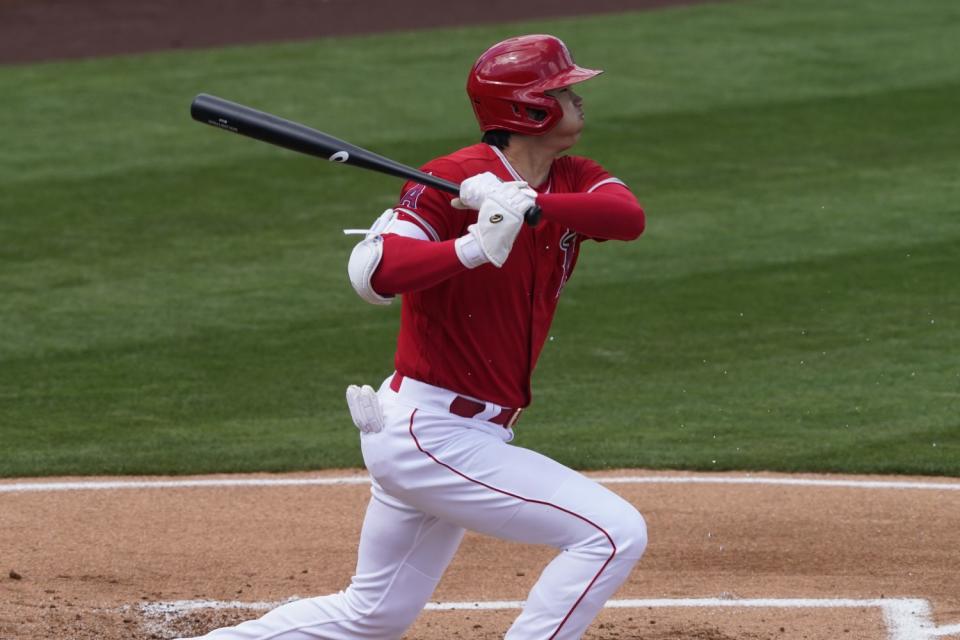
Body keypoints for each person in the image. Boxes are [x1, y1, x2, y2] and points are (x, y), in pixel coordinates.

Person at [185, 33, 647, 640]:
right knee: (613, 533)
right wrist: (472, 246)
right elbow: (373, 272)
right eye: (560, 91)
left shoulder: (570, 177)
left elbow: (626, 217)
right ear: (528, 110)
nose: (576, 99)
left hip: (465, 433)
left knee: (372, 616)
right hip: (431, 435)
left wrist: (530, 203)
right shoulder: (450, 178)